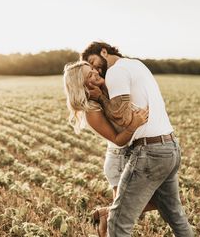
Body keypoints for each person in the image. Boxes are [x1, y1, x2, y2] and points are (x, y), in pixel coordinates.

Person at [81, 41, 194, 237]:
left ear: (104, 51)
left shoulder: (116, 71)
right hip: (170, 146)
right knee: (175, 216)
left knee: (117, 222)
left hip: (150, 152)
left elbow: (123, 118)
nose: (95, 69)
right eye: (90, 69)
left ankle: (105, 213)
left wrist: (100, 98)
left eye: (93, 63)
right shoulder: (137, 64)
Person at [63, 60, 154, 237]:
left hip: (128, 156)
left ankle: (106, 213)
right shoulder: (91, 112)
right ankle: (107, 214)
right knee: (125, 216)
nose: (96, 73)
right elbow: (118, 140)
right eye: (90, 75)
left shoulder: (105, 93)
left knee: (128, 213)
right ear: (81, 85)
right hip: (119, 160)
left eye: (93, 70)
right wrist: (133, 125)